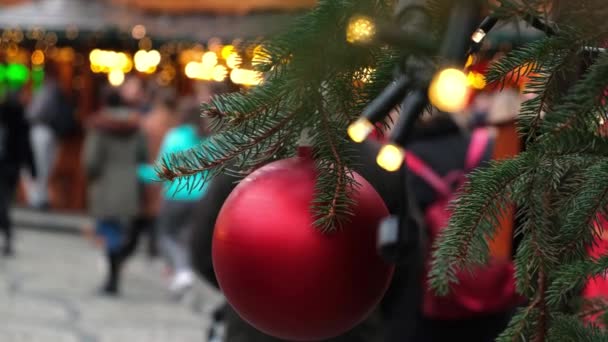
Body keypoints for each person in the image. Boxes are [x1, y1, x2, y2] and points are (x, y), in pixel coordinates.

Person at [138, 96, 209, 297]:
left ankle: (182, 271)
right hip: (203, 197)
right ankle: (182, 273)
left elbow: (161, 171)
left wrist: (138, 172)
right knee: (185, 237)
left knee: (166, 236)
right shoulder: (210, 139)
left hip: (178, 195)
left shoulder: (176, 137)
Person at [82, 87, 147, 295]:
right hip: (128, 184)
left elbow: (91, 160)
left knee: (108, 231)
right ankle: (115, 273)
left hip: (105, 184)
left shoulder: (99, 125)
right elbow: (143, 156)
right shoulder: (136, 126)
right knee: (120, 231)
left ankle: (112, 278)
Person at [25, 63, 73, 210]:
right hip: (50, 133)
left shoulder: (47, 89)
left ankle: (38, 199)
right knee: (43, 167)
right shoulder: (54, 89)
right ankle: (40, 197)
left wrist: (25, 111)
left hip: (42, 131)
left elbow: (33, 113)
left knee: (37, 166)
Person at [0, 87, 36, 256]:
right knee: (5, 202)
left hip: (8, 166)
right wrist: (32, 168)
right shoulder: (21, 119)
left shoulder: (18, 120)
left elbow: (25, 146)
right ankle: (7, 236)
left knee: (3, 203)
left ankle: (7, 235)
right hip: (11, 167)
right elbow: (26, 147)